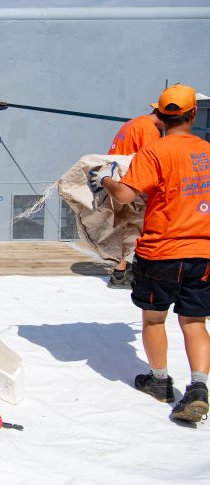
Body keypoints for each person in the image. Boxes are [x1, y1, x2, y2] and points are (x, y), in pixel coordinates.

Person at [91, 83, 209, 422]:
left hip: (162, 251)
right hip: (203, 251)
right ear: (193, 113)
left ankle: (159, 382)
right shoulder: (207, 151)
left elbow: (126, 195)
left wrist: (105, 180)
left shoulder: (155, 152)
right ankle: (198, 387)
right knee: (195, 321)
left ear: (160, 115)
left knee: (155, 318)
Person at [105, 107, 164, 288]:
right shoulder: (149, 131)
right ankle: (121, 274)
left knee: (124, 226)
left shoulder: (134, 123)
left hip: (118, 179)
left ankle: (120, 272)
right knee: (134, 227)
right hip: (131, 183)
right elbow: (152, 161)